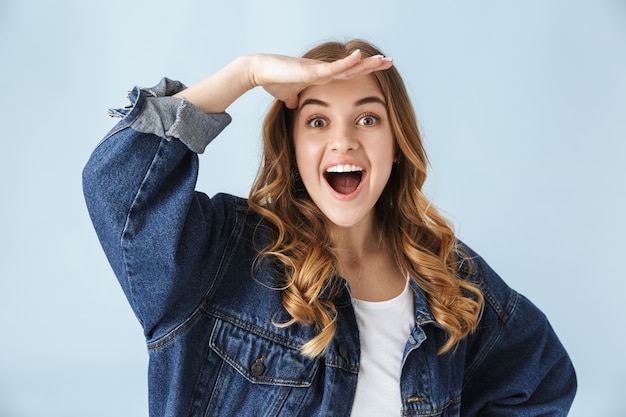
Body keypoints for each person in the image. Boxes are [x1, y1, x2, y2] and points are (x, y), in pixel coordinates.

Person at [82, 39, 576, 416]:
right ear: (293, 145)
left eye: (367, 119)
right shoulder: (221, 254)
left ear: (396, 142)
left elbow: (541, 378)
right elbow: (116, 186)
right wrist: (246, 72)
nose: (343, 141)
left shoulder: (448, 278)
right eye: (317, 122)